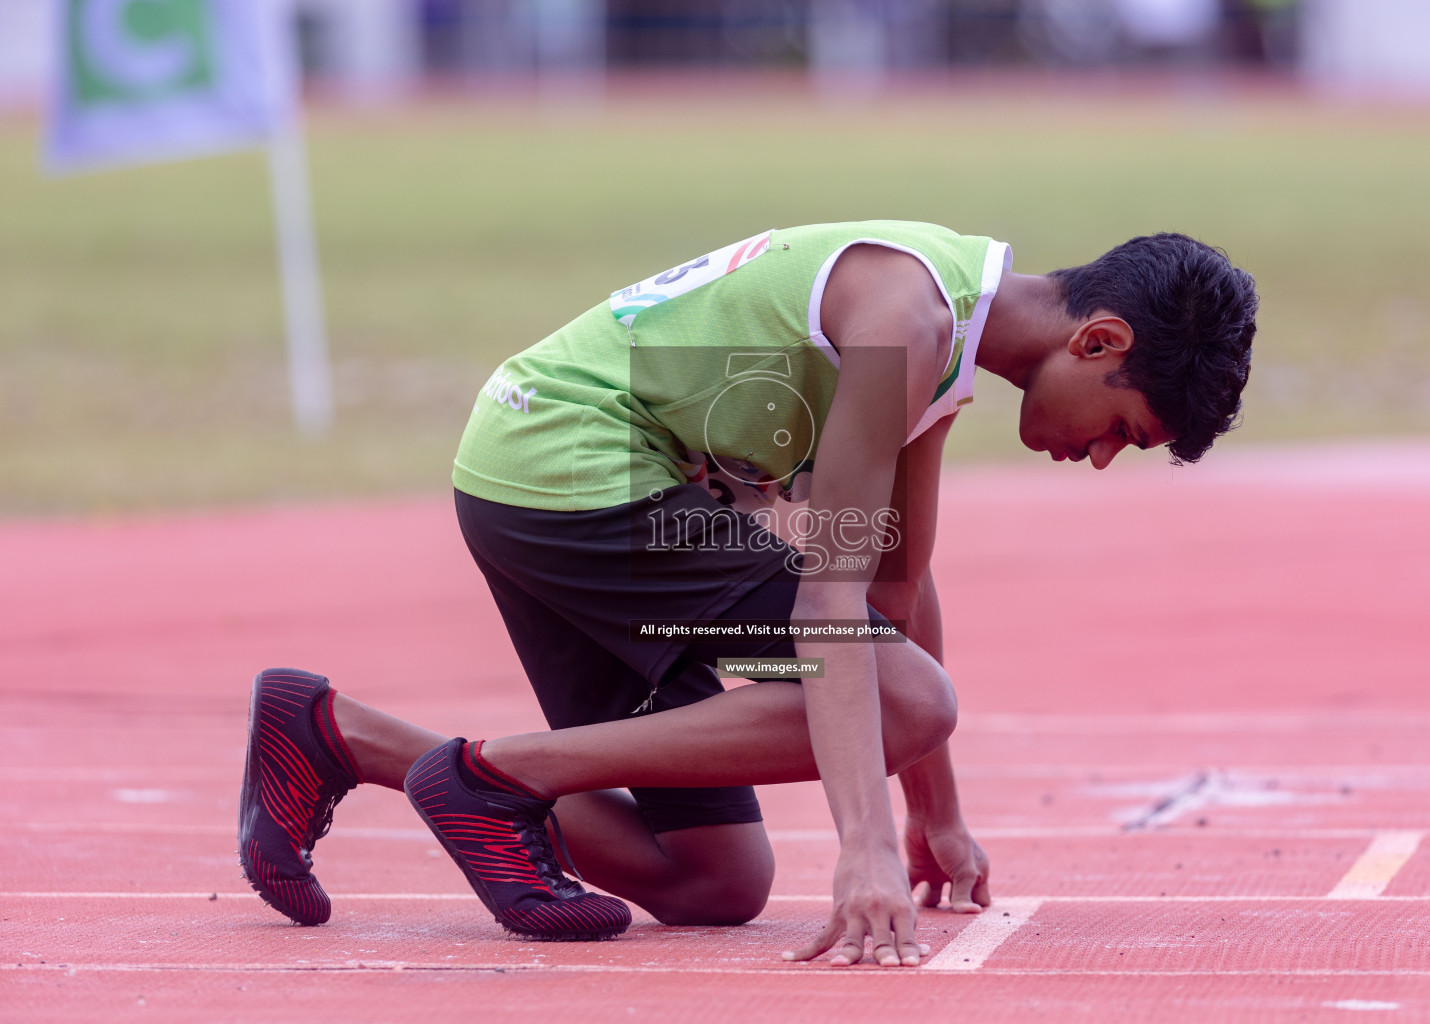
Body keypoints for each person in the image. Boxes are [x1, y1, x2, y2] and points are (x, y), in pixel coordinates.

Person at [238, 221, 1257, 965]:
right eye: (1127, 428)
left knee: (712, 879)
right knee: (906, 695)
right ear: (1101, 341)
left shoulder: (943, 332)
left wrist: (935, 816)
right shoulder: (905, 318)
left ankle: (340, 734)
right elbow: (832, 607)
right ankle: (495, 777)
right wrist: (862, 849)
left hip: (534, 477)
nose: (1104, 458)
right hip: (571, 475)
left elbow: (895, 577)